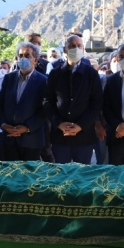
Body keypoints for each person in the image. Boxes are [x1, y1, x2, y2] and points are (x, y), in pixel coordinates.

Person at [43, 35, 102, 164]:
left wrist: (80, 125)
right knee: (61, 173)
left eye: (79, 46)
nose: (76, 49)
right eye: (72, 46)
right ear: (65, 49)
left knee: (81, 174)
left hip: (84, 136)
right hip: (60, 136)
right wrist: (59, 124)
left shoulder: (91, 74)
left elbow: (96, 103)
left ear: (83, 49)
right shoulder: (55, 74)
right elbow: (47, 102)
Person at [0, 43, 47, 161]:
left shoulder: (44, 81)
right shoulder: (9, 78)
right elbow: (0, 104)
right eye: (20, 56)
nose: (23, 58)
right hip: (9, 138)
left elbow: (44, 110)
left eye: (27, 55)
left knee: (29, 172)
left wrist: (27, 127)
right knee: (11, 171)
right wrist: (3, 124)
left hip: (31, 140)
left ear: (35, 60)